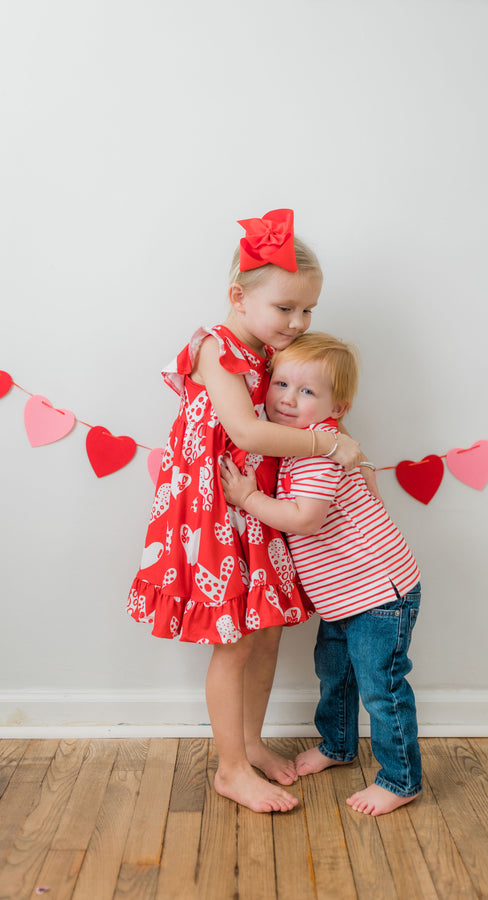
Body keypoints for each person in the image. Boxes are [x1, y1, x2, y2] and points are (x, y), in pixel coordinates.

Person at [127, 211, 362, 814]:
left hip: (250, 501)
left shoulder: (270, 352)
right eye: (286, 308)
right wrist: (327, 444)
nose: (299, 322)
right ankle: (230, 768)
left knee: (264, 632)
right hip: (211, 507)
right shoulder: (217, 349)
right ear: (239, 296)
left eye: (308, 310)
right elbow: (245, 431)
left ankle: (250, 742)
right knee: (233, 640)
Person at [221, 332, 422, 816]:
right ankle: (337, 746)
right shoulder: (306, 445)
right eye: (281, 383)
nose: (288, 399)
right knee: (335, 674)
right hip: (345, 597)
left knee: (381, 686)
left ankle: (401, 779)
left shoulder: (318, 452)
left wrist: (248, 499)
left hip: (378, 593)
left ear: (339, 406)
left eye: (307, 391)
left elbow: (305, 518)